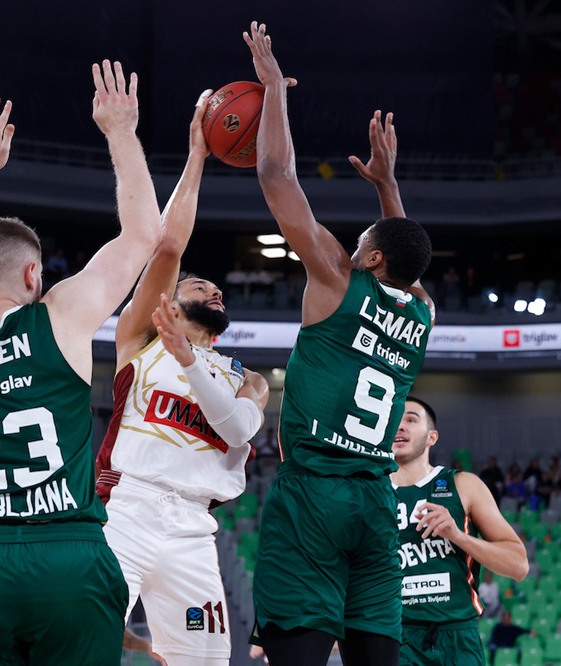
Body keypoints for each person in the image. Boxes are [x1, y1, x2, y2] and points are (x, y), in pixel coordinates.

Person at [0, 62, 161, 666]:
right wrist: (120, 132)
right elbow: (141, 235)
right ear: (34, 275)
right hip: (69, 554)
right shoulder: (60, 317)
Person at [244, 21, 435, 666]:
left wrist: (274, 89)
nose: (351, 245)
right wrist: (386, 185)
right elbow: (408, 259)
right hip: (378, 502)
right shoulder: (425, 313)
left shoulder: (336, 279)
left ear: (372, 258)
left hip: (315, 494)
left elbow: (274, 173)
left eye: (363, 244)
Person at [94, 90, 269, 666]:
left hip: (195, 528)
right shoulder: (141, 337)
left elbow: (240, 431)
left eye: (218, 291)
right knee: (82, 644)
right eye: (199, 286)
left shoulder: (250, 380)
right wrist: (198, 154)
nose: (213, 290)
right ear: (170, 299)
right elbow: (168, 244)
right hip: (127, 509)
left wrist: (192, 362)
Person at [390, 398, 528, 666]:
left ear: (432, 437)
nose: (400, 427)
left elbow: (519, 566)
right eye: (394, 419)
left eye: (410, 419)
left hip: (457, 634)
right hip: (395, 634)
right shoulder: (368, 493)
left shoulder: (463, 485)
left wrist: (457, 535)